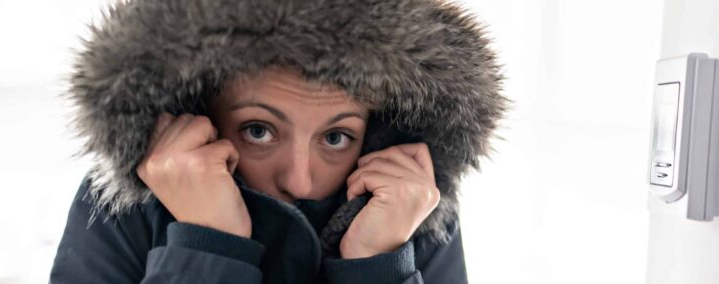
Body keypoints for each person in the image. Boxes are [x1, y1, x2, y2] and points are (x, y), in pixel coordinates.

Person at [50, 0, 506, 283]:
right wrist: (209, 245)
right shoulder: (124, 204)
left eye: (335, 136)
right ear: (200, 114)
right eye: (259, 131)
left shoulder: (410, 205)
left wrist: (379, 265)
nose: (301, 180)